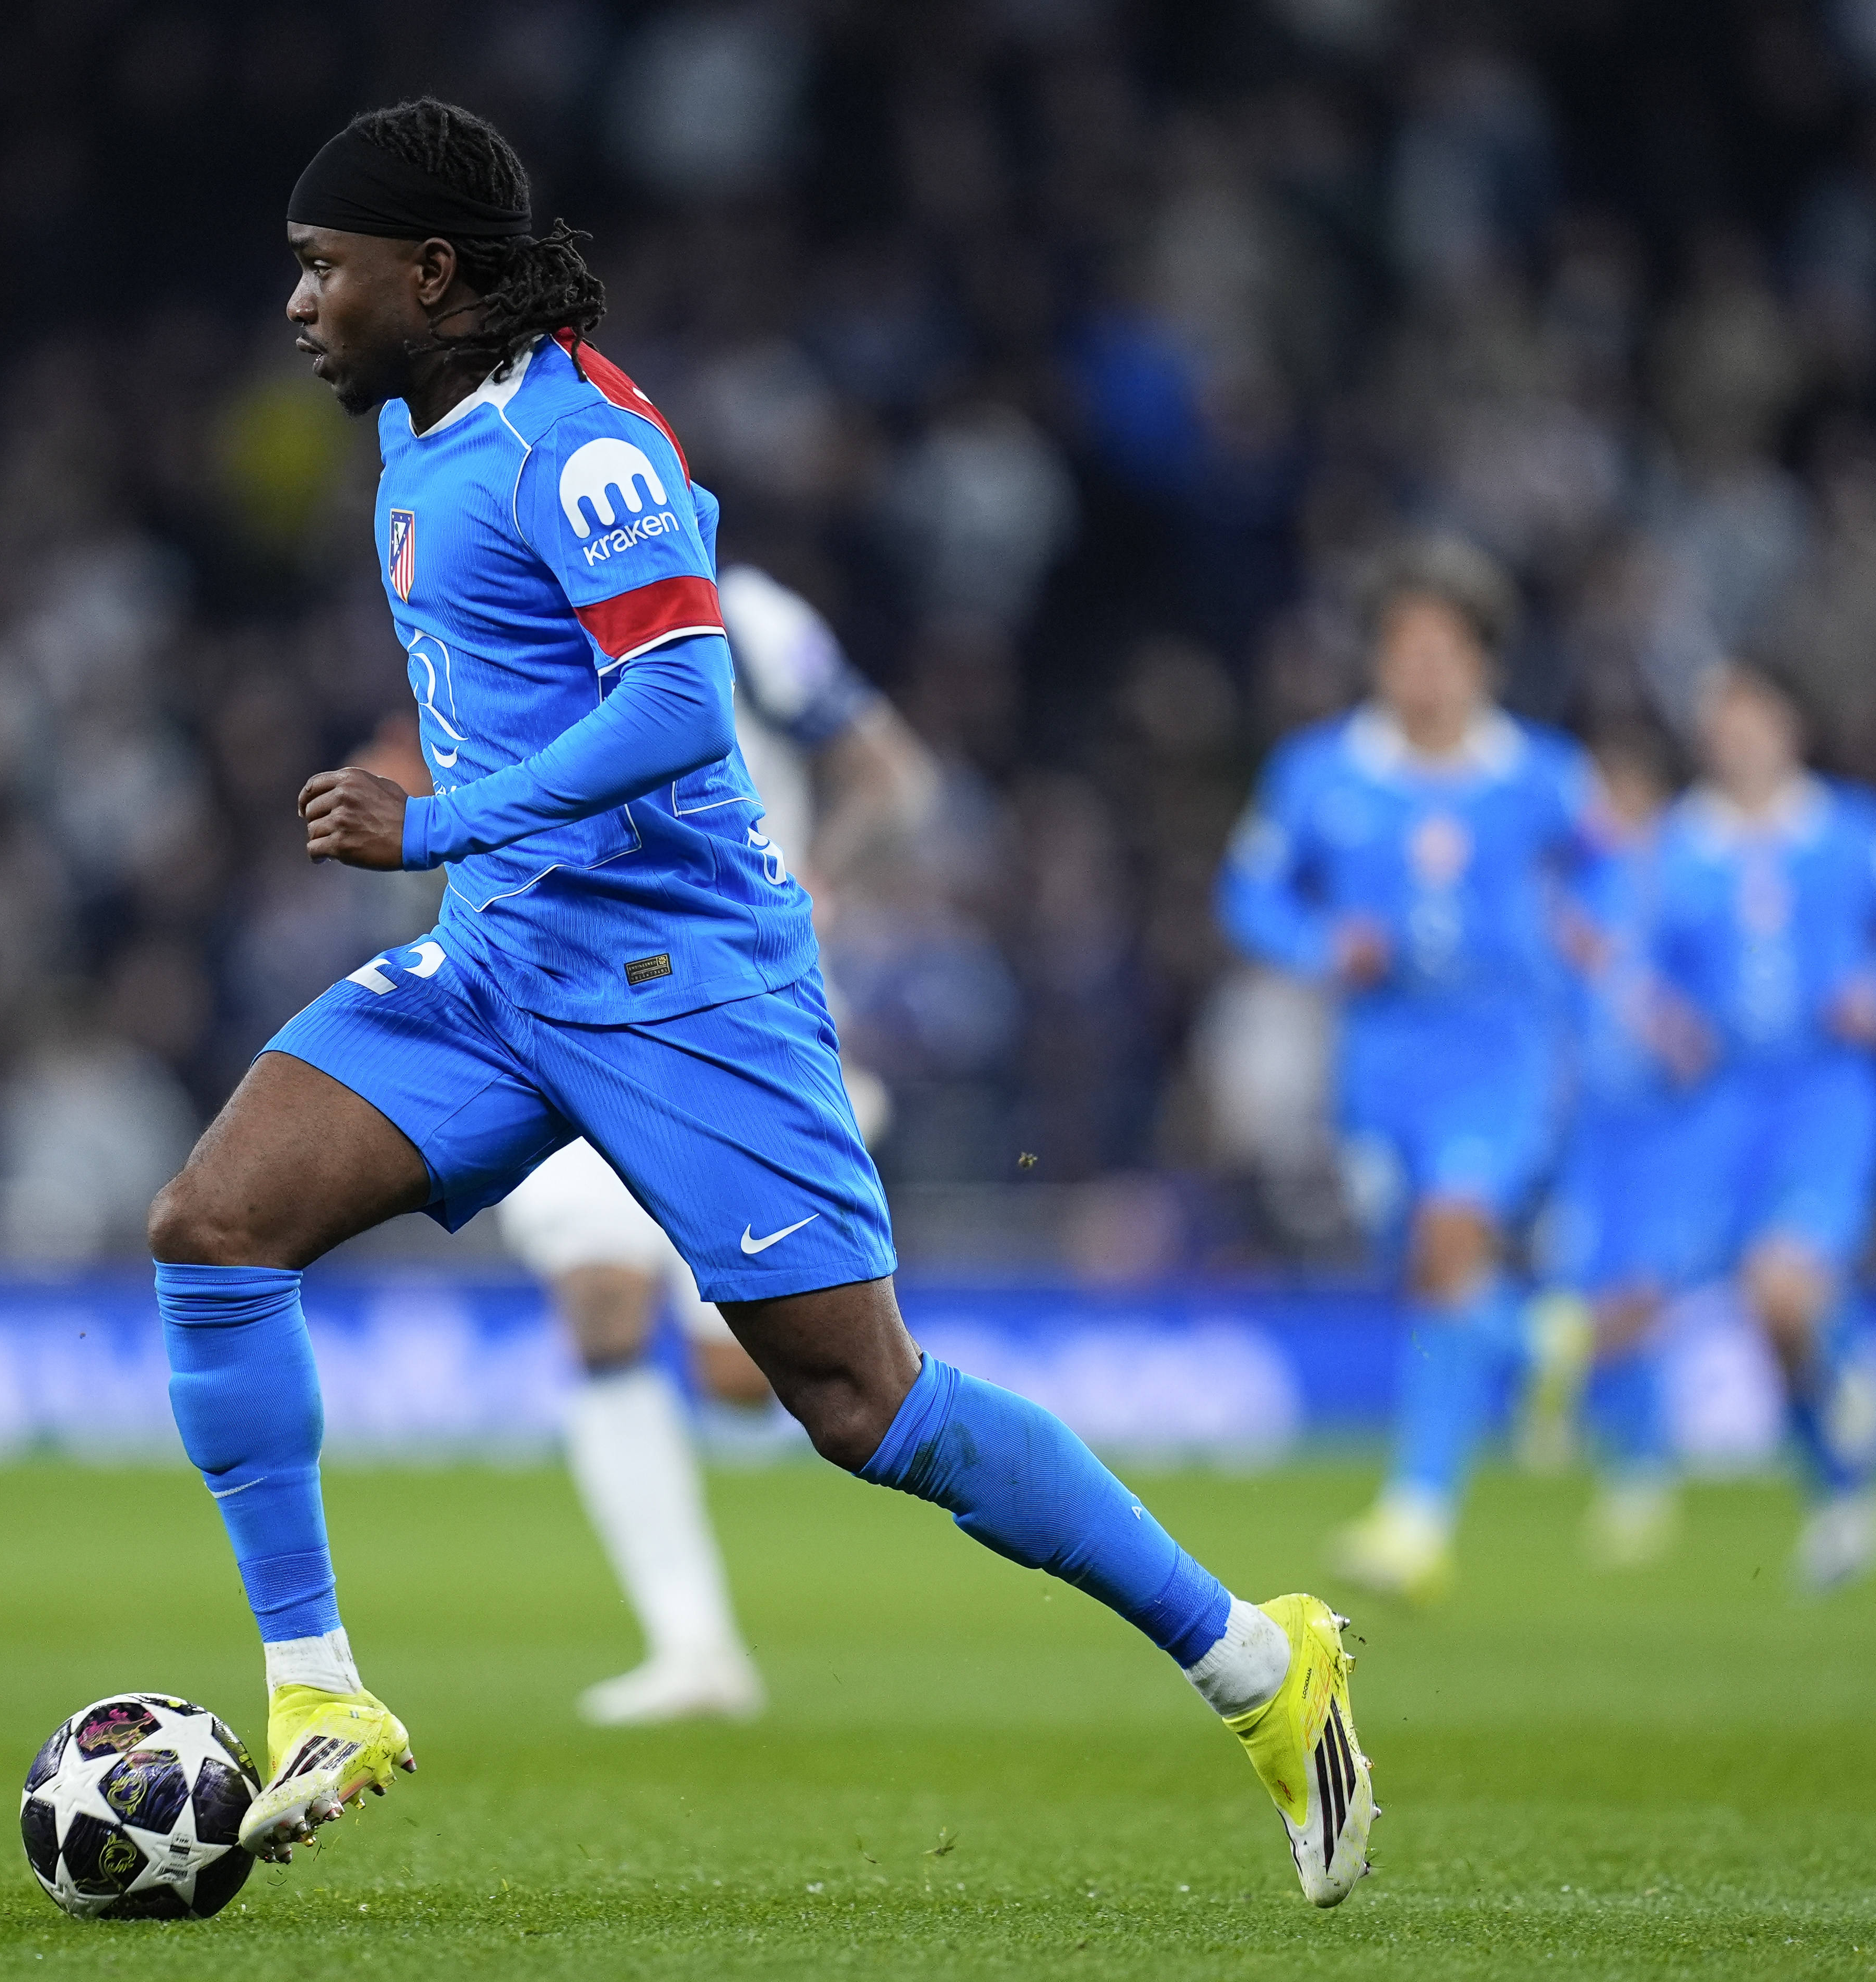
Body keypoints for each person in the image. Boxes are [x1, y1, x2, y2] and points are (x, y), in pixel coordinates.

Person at [142, 98, 1376, 1904]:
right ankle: (323, 1692)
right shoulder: (416, 429)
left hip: (681, 981)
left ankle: (1257, 1664)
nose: (298, 305)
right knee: (212, 1225)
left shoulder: (581, 447)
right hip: (498, 965)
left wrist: (437, 820)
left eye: (325, 269)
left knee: (859, 1401)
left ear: (432, 273)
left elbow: (677, 702)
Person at [492, 564, 935, 1727]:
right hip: (576, 1001)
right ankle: (691, 1645)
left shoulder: (745, 613)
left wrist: (819, 870)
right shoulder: (504, 604)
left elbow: (890, 772)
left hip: (737, 1004)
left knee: (745, 1379)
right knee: (599, 1300)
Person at [1219, 536, 1598, 1603]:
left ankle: (1417, 1514)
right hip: (1377, 1061)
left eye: (1444, 648)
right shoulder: (1319, 772)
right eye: (1403, 647)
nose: (1422, 669)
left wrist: (1587, 937)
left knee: (1447, 1235)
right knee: (1429, 1274)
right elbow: (1247, 895)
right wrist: (1318, 946)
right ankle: (1533, 1346)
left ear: (1483, 660)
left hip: (1501, 1053)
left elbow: (1612, 875)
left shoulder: (1540, 774)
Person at [1639, 665, 1876, 1591]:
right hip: (1724, 1105)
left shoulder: (1856, 830)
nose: (1737, 736)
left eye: (1752, 717)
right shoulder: (1678, 846)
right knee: (1765, 1314)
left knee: (1784, 1289)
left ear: (1789, 724)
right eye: (1721, 721)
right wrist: (1667, 1024)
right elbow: (1643, 968)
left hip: (1828, 1090)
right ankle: (1841, 1492)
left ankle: (1853, 1355)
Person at [1513, 725, 1692, 1566]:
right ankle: (1585, 1422)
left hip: (1662, 1129)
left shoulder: (1681, 886)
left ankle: (1638, 1468)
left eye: (1623, 798)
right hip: (1587, 1130)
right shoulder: (1574, 893)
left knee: (1638, 1292)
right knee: (1581, 1288)